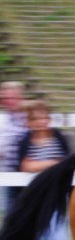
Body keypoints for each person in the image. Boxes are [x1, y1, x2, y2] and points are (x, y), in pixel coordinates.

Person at [18, 100, 71, 240]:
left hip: (56, 197)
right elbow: (24, 166)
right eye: (36, 118)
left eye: (44, 117)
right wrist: (52, 164)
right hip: (33, 200)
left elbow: (68, 162)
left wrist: (39, 165)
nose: (41, 122)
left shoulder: (59, 137)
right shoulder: (25, 140)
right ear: (30, 122)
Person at [0, 81, 27, 211]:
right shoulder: (3, 120)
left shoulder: (29, 118)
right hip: (8, 174)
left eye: (13, 98)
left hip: (28, 175)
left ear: (21, 98)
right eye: (5, 98)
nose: (9, 101)